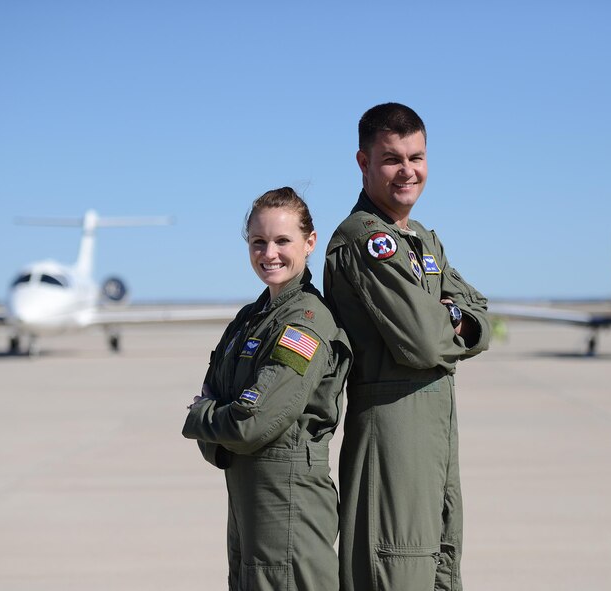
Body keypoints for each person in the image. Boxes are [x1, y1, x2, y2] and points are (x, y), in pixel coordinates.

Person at [323, 103, 490, 591]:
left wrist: (454, 318)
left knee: (438, 563)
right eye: (392, 158)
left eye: (416, 157)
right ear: (363, 163)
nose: (407, 171)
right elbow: (421, 342)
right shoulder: (366, 241)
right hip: (392, 431)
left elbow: (479, 312)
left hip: (433, 430)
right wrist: (448, 320)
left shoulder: (418, 239)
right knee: (396, 569)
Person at [183, 187, 352, 591]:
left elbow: (251, 421)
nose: (269, 253)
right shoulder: (251, 319)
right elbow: (223, 403)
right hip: (248, 501)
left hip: (287, 506)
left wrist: (200, 418)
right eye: (258, 242)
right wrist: (219, 430)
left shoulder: (306, 322)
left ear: (309, 243)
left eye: (282, 241)